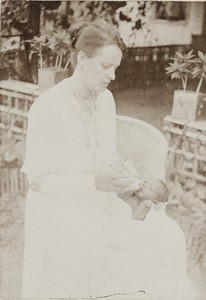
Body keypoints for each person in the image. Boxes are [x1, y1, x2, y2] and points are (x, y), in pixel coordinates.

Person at [21, 20, 194, 299]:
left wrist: (130, 185)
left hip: (100, 205)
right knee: (113, 266)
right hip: (58, 215)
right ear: (81, 59)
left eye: (115, 67)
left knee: (167, 235)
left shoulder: (105, 100)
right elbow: (38, 180)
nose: (112, 76)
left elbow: (105, 158)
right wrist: (94, 182)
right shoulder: (48, 107)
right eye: (105, 66)